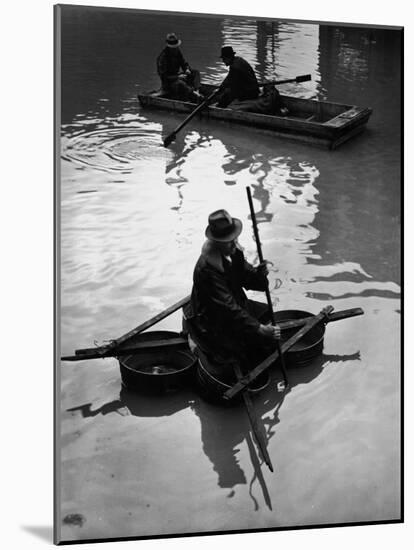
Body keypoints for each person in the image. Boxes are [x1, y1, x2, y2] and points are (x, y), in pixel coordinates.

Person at [184, 209, 281, 373]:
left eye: (233, 239)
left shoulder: (233, 252)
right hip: (212, 320)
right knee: (247, 345)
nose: (233, 243)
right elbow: (227, 308)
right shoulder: (206, 270)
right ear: (216, 242)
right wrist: (259, 329)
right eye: (227, 241)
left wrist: (260, 275)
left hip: (234, 306)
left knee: (267, 314)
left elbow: (247, 278)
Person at [156, 33, 202, 102]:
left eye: (176, 47)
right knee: (180, 84)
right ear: (169, 47)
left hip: (178, 77)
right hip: (169, 83)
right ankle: (194, 94)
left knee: (195, 72)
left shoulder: (177, 52)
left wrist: (187, 69)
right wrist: (178, 77)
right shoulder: (163, 58)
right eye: (173, 48)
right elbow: (164, 77)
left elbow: (184, 63)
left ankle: (197, 91)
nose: (175, 49)